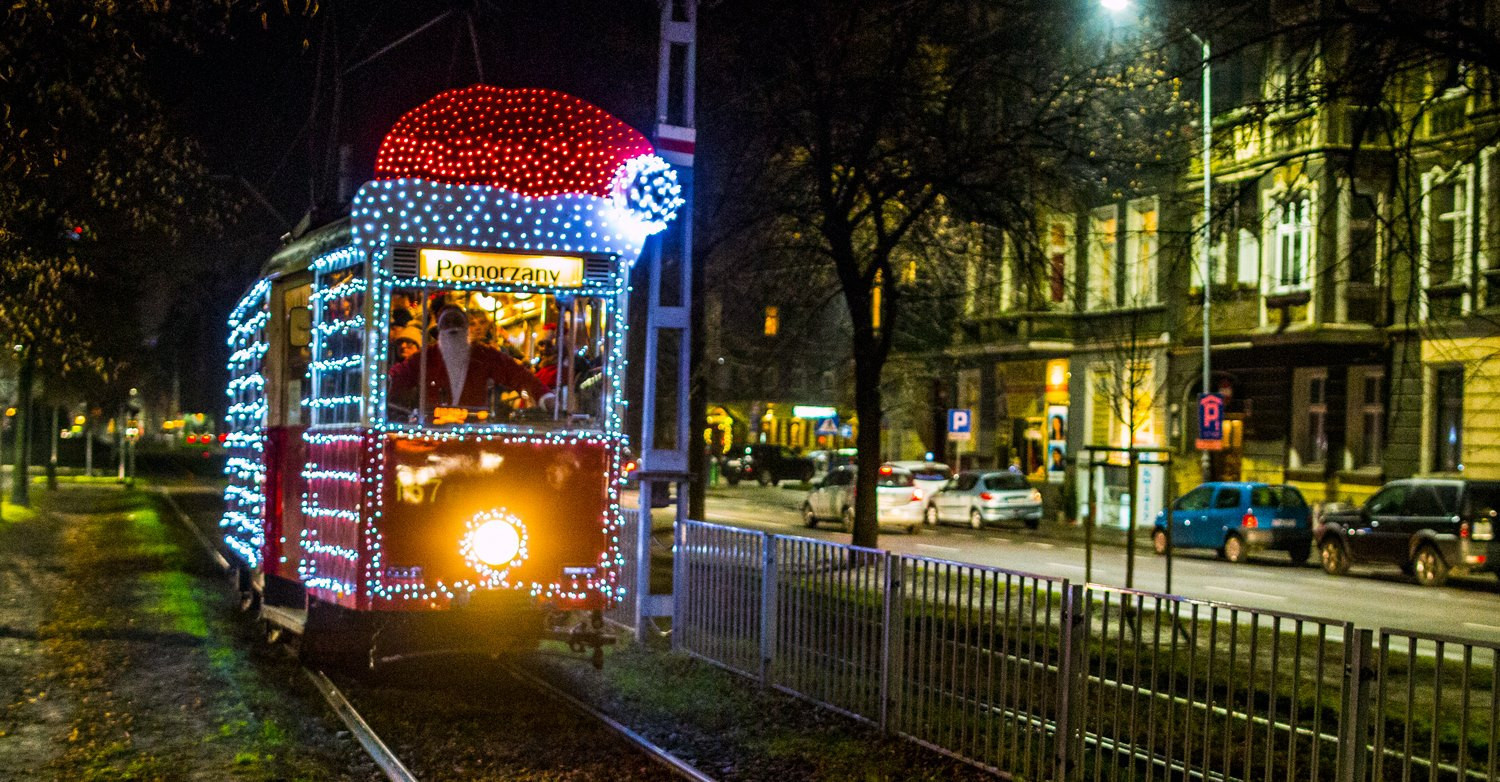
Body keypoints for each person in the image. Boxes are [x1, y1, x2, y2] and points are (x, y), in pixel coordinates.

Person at [389, 305, 553, 416]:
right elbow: (399, 375)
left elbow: (517, 374)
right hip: (432, 433)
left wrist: (544, 397)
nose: (453, 328)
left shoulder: (484, 355)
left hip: (474, 433)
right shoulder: (425, 357)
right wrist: (381, 383)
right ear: (439, 330)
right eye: (447, 323)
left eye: (457, 323)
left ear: (466, 328)